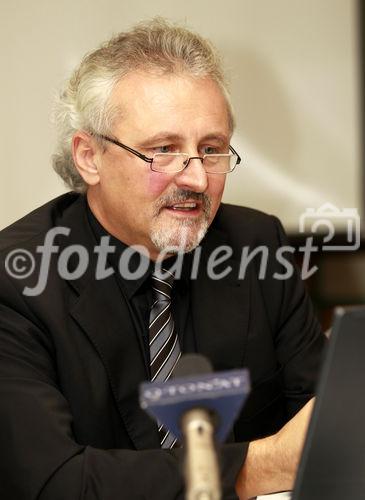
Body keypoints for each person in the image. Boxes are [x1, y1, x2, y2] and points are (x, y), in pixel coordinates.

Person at [0, 18, 326, 500]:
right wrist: (254, 466)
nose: (195, 178)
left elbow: (324, 428)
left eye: (211, 149)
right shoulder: (16, 281)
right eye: (164, 150)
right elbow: (52, 482)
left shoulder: (259, 246)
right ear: (89, 157)